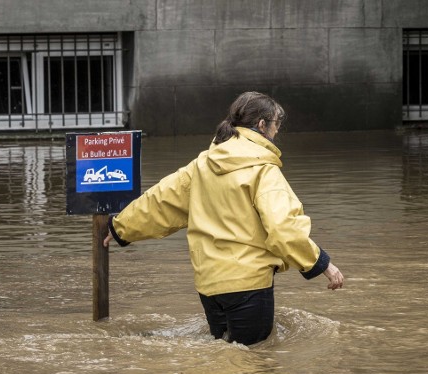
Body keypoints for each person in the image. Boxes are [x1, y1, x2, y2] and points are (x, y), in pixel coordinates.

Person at [103, 91, 344, 345]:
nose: (277, 132)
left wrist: (121, 227)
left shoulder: (203, 164)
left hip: (209, 286)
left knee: (225, 362)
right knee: (255, 364)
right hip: (248, 284)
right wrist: (322, 264)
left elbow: (160, 202)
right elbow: (284, 229)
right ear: (262, 125)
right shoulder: (263, 170)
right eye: (276, 125)